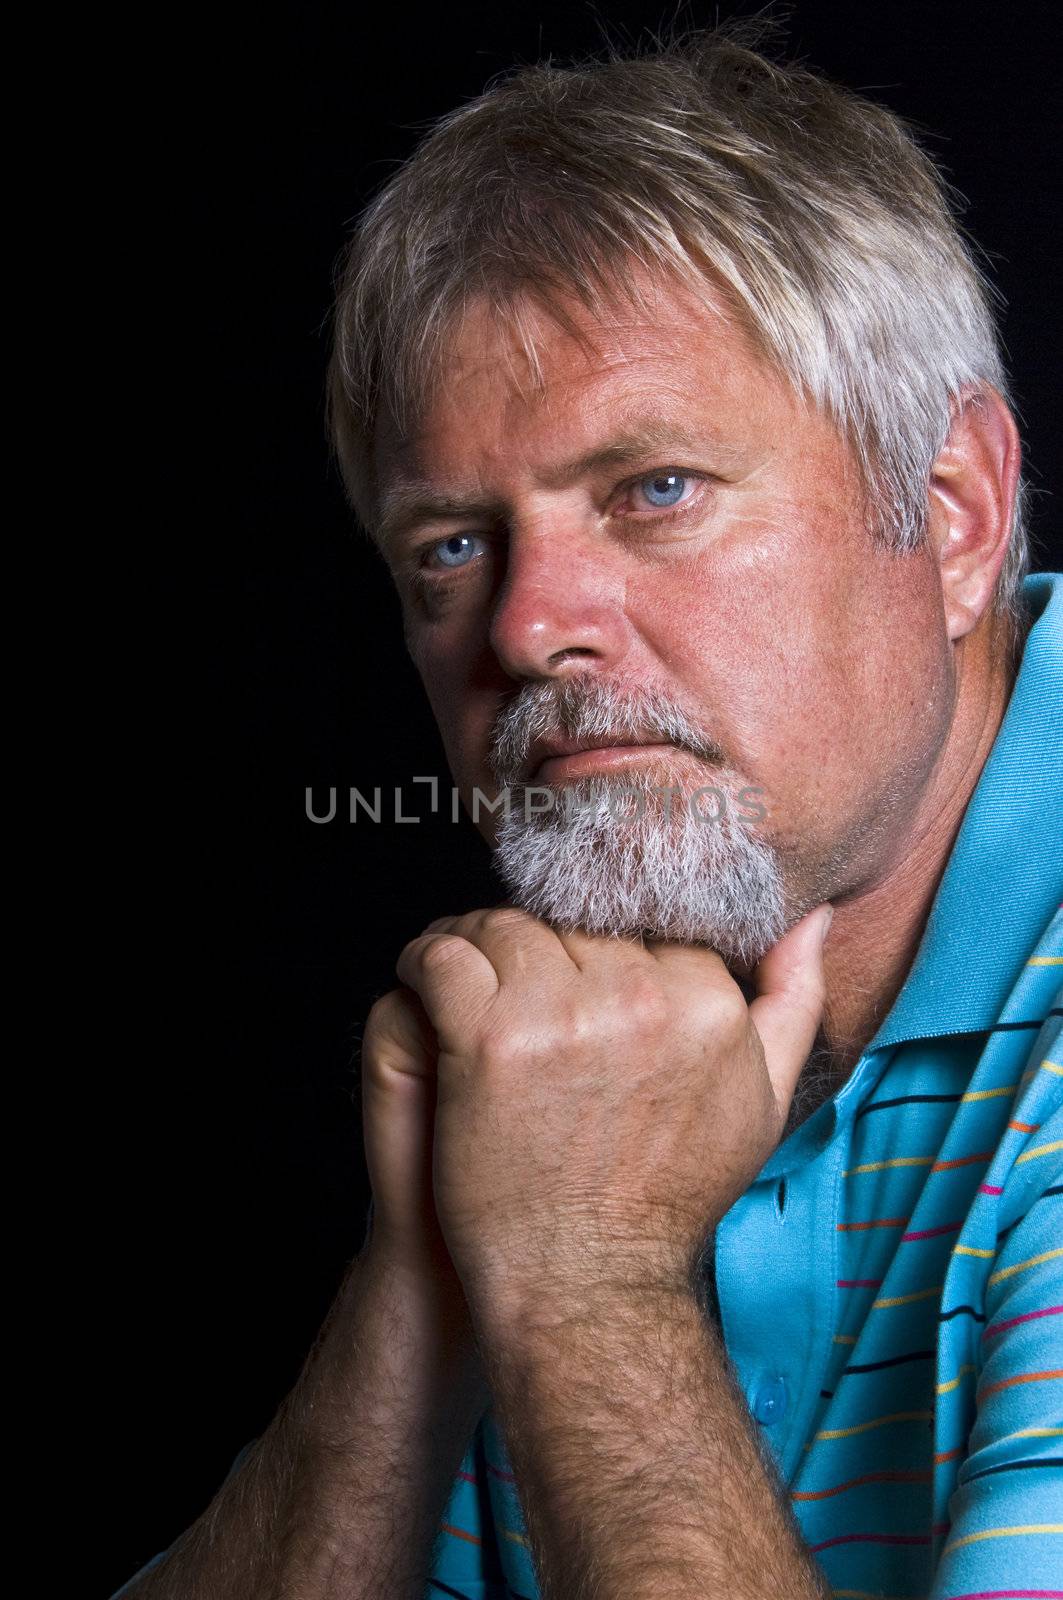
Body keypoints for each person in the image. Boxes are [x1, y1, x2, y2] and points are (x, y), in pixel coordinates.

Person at [118, 24, 1062, 1600]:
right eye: (452, 546)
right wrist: (423, 1278)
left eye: (656, 491)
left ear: (951, 513)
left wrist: (591, 1283)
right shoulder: (582, 1048)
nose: (526, 625)